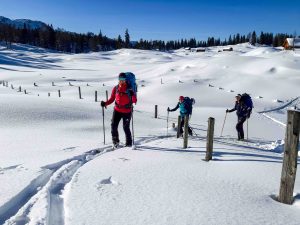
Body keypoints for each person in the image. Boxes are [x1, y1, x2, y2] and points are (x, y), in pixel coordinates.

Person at [101, 73, 137, 148]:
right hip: (117, 110)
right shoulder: (116, 88)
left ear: (125, 80)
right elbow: (112, 99)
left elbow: (134, 101)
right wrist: (105, 103)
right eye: (120, 79)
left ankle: (129, 144)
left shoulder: (129, 89)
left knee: (126, 127)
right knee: (113, 125)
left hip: (127, 111)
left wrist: (132, 94)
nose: (122, 81)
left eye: (123, 80)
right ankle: (115, 142)